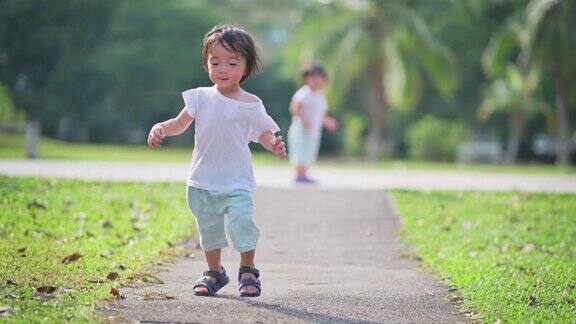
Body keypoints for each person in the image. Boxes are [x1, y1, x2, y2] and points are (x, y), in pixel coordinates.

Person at [147, 24, 285, 298]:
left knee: (243, 224)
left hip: (237, 181)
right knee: (209, 232)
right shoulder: (200, 97)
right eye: (215, 62)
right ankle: (214, 273)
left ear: (246, 67)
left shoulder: (251, 103)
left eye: (232, 63)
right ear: (206, 64)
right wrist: (160, 127)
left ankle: (247, 270)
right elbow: (179, 123)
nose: (223, 69)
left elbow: (264, 132)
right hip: (202, 180)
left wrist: (274, 145)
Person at [287, 63, 338, 183]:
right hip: (301, 129)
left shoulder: (320, 96)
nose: (316, 81)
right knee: (300, 149)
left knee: (310, 151)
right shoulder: (304, 93)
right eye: (313, 78)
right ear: (306, 79)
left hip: (314, 130)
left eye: (319, 78)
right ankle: (299, 174)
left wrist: (328, 121)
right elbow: (295, 108)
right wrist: (304, 121)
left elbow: (321, 114)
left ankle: (304, 174)